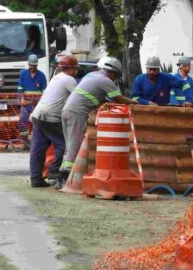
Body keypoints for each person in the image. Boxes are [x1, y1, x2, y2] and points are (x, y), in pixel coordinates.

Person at [57, 56, 139, 188]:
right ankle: (66, 179)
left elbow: (99, 98)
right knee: (75, 145)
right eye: (115, 76)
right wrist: (133, 102)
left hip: (67, 110)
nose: (114, 79)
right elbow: (118, 99)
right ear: (111, 72)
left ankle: (61, 177)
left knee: (69, 144)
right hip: (77, 113)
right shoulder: (105, 80)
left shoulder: (91, 75)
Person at [28, 55, 79, 188]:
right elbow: (79, 98)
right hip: (51, 117)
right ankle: (54, 174)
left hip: (38, 115)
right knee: (64, 145)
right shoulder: (69, 80)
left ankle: (36, 178)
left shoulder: (55, 78)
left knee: (38, 148)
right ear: (72, 69)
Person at [17, 54, 47, 145]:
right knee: (22, 119)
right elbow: (20, 88)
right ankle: (24, 140)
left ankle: (37, 141)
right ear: (28, 64)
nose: (33, 67)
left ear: (37, 65)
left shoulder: (41, 76)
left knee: (38, 121)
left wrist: (42, 103)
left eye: (34, 65)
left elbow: (44, 91)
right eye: (31, 65)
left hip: (38, 104)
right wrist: (21, 99)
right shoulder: (23, 74)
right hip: (26, 103)